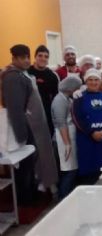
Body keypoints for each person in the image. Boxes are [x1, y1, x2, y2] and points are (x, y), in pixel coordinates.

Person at [1, 44, 58, 205]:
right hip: (24, 129)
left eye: (27, 57)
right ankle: (25, 201)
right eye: (22, 58)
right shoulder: (12, 76)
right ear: (14, 58)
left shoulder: (22, 74)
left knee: (31, 165)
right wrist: (22, 135)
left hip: (34, 126)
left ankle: (31, 194)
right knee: (24, 168)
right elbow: (15, 109)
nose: (26, 60)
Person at [72, 68, 102, 185]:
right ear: (85, 81)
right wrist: (91, 133)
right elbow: (77, 119)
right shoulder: (79, 98)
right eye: (90, 80)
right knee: (91, 177)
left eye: (96, 80)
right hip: (87, 142)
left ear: (99, 82)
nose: (93, 82)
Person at [51, 76, 82, 199]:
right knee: (69, 171)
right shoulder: (59, 100)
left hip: (69, 137)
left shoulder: (67, 99)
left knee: (72, 170)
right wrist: (67, 143)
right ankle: (63, 198)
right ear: (71, 87)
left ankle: (67, 196)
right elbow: (61, 122)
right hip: (63, 140)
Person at [28, 45, 59, 136]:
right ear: (35, 57)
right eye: (40, 55)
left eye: (46, 56)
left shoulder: (52, 76)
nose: (43, 58)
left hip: (46, 115)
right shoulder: (27, 72)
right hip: (29, 115)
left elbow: (55, 98)